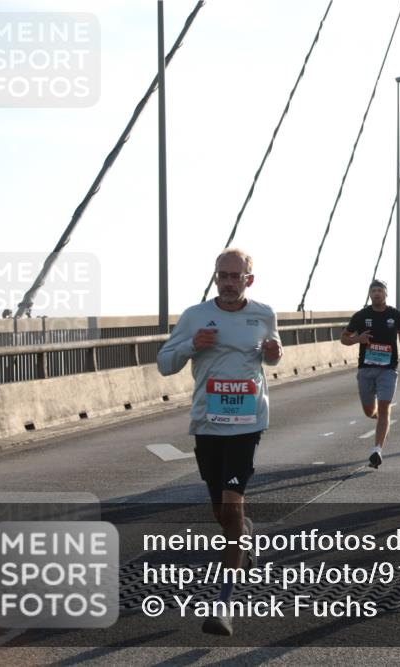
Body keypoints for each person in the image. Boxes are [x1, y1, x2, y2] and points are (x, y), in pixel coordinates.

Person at [157, 248, 282, 637]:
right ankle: (243, 535)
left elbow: (273, 356)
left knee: (231, 504)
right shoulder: (195, 316)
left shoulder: (264, 314)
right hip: (208, 423)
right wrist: (192, 345)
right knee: (222, 514)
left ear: (249, 280)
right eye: (222, 276)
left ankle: (223, 605)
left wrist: (275, 353)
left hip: (247, 423)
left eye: (234, 276)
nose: (227, 283)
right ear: (215, 278)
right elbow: (164, 364)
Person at [341, 279, 400, 469]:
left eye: (380, 290)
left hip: (388, 369)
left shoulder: (395, 315)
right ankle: (382, 420)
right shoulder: (361, 316)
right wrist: (358, 339)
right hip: (366, 369)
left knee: (384, 408)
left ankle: (377, 450)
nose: (377, 293)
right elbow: (344, 338)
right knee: (370, 411)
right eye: (373, 291)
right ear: (370, 294)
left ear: (386, 294)